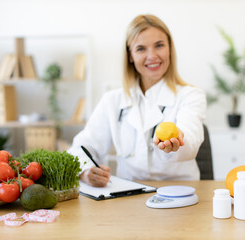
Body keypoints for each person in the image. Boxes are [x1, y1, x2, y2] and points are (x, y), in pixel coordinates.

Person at [68, 14, 206, 187]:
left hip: (180, 194)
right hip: (129, 195)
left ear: (170, 48)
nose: (152, 56)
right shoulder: (112, 100)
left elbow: (191, 139)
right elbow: (81, 148)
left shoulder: (191, 95)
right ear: (130, 55)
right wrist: (86, 172)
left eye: (159, 45)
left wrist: (178, 141)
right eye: (141, 49)